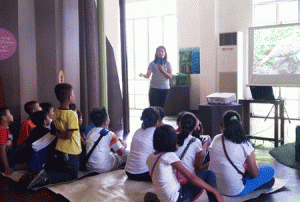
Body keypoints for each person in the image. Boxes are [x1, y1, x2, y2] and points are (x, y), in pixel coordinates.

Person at [146, 125, 223, 202]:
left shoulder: (150, 157)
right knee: (208, 174)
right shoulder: (168, 156)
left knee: (148, 196)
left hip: (165, 199)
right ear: (171, 140)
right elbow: (191, 177)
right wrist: (214, 191)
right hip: (179, 198)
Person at [208, 110, 275, 196]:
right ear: (240, 124)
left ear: (223, 126)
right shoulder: (245, 144)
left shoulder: (216, 139)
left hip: (214, 186)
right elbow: (255, 174)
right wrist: (256, 166)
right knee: (270, 170)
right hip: (234, 190)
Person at [28, 83, 82, 188]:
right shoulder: (72, 114)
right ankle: (47, 178)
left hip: (60, 147)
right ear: (70, 97)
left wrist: (57, 134)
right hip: (71, 149)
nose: (74, 96)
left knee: (64, 168)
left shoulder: (56, 112)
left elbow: (53, 130)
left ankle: (46, 173)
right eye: (73, 94)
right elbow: (68, 135)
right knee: (73, 175)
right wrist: (60, 134)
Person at [85, 108, 127, 173]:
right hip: (103, 167)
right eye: (108, 117)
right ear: (106, 122)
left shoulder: (89, 132)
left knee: (111, 154)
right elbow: (120, 153)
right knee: (126, 153)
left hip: (89, 167)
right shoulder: (110, 134)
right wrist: (124, 145)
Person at [125, 107, 160, 181]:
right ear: (157, 122)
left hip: (128, 172)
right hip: (143, 173)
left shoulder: (137, 131)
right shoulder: (156, 133)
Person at [175, 112, 209, 179]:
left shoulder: (171, 137)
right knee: (209, 173)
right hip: (188, 179)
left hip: (172, 176)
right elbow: (197, 166)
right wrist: (205, 144)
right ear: (195, 127)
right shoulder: (196, 141)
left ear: (179, 124)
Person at [0, 107, 15, 175]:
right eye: (10, 114)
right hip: (4, 161)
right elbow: (2, 150)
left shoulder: (7, 129)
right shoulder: (2, 131)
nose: (12, 115)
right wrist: (7, 167)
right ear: (4, 118)